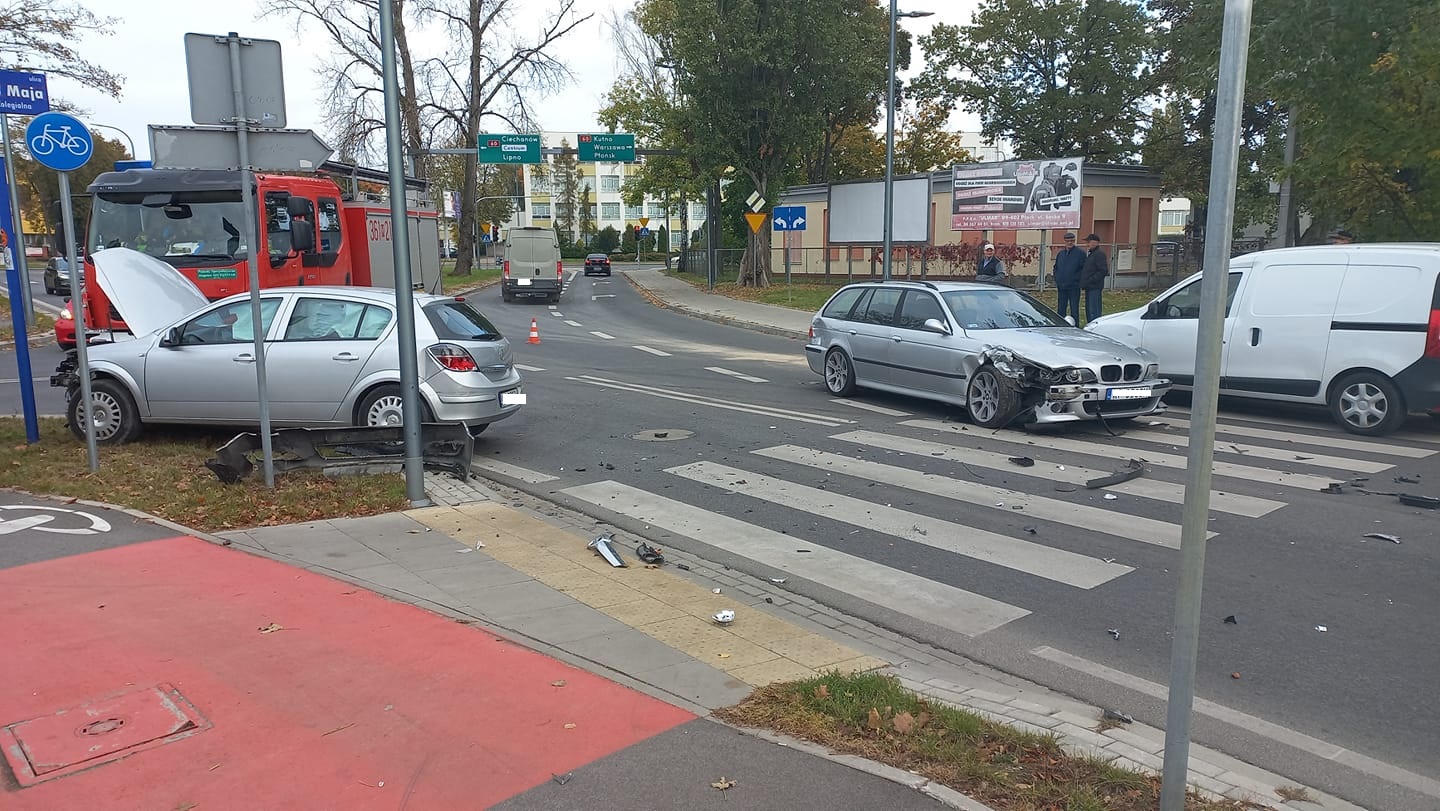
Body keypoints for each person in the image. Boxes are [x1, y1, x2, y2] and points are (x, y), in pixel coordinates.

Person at [1051, 232, 1085, 324]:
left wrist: (1077, 280)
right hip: (1062, 286)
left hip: (1074, 286)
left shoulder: (1080, 253)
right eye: (1068, 241)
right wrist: (1057, 279)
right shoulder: (1061, 254)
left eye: (1072, 241)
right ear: (1064, 242)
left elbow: (1083, 269)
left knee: (1074, 309)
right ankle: (1060, 325)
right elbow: (1056, 267)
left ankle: (1075, 327)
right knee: (1061, 308)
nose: (1070, 243)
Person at [1080, 233, 1109, 324]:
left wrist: (1091, 280)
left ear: (1096, 243)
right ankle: (1090, 326)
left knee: (1094, 311)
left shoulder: (1099, 254)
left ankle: (1096, 327)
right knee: (1089, 310)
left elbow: (1103, 271)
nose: (1087, 244)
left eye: (1089, 242)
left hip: (1095, 287)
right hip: (1089, 287)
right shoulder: (1091, 254)